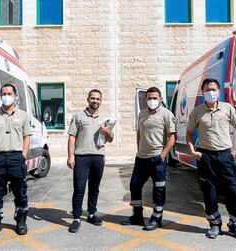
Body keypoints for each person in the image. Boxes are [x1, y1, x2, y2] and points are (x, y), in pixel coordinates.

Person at [186, 78, 236, 241]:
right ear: (203, 92)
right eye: (207, 90)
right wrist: (193, 150)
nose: (211, 92)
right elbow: (189, 133)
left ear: (219, 92)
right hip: (206, 156)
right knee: (209, 192)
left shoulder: (227, 108)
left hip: (225, 155)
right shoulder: (197, 112)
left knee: (233, 190)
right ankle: (214, 224)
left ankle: (235, 224)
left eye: (213, 89)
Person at [122, 87, 176, 231]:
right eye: (149, 98)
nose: (152, 100)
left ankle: (157, 218)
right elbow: (139, 132)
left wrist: (163, 155)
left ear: (160, 99)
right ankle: (137, 215)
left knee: (158, 188)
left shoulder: (167, 114)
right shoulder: (142, 114)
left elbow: (172, 137)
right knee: (134, 185)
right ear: (145, 99)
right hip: (141, 158)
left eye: (154, 98)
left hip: (157, 157)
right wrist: (139, 150)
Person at [0, 83, 32, 238]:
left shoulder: (23, 115)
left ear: (15, 96)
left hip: (16, 157)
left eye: (10, 93)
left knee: (20, 191)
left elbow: (27, 136)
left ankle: (21, 220)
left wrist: (23, 155)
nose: (7, 96)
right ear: (0, 96)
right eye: (4, 93)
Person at [67, 89, 114, 233]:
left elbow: (111, 139)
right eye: (92, 98)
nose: (95, 101)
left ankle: (92, 214)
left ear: (101, 101)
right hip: (81, 157)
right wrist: (70, 156)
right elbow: (72, 137)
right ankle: (76, 218)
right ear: (88, 99)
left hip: (98, 157)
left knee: (94, 188)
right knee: (79, 189)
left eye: (98, 99)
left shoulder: (105, 119)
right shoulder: (78, 116)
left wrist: (105, 131)